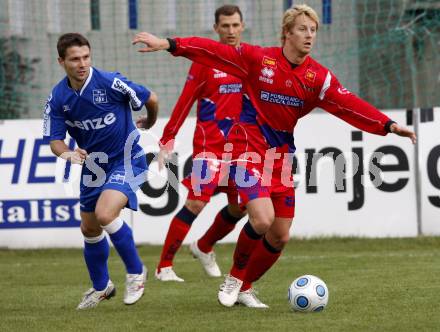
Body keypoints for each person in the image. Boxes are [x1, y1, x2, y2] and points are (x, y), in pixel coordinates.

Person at [132, 4, 416, 308]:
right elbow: (210, 50)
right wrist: (169, 44)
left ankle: (245, 287)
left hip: (280, 157)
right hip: (244, 150)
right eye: (303, 29)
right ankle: (232, 277)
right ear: (286, 33)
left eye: (313, 30)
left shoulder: (317, 77)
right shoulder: (257, 59)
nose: (309, 36)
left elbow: (349, 104)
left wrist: (387, 125)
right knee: (262, 218)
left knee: (280, 236)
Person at [43, 33, 158, 309]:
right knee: (89, 227)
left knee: (106, 214)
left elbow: (150, 97)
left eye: (85, 57)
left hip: (127, 158)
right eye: (74, 59)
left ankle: (135, 272)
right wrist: (68, 153)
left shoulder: (109, 82)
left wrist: (150, 123)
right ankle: (101, 287)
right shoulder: (58, 97)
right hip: (93, 167)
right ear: (61, 62)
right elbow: (55, 141)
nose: (82, 63)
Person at [153, 5, 248, 285]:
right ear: (216, 29)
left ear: (242, 26)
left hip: (242, 150)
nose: (231, 31)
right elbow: (184, 102)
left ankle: (204, 246)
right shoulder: (204, 63)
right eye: (225, 26)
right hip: (210, 149)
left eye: (235, 25)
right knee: (195, 203)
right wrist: (167, 138)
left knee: (242, 207)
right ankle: (164, 267)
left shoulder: (250, 61)